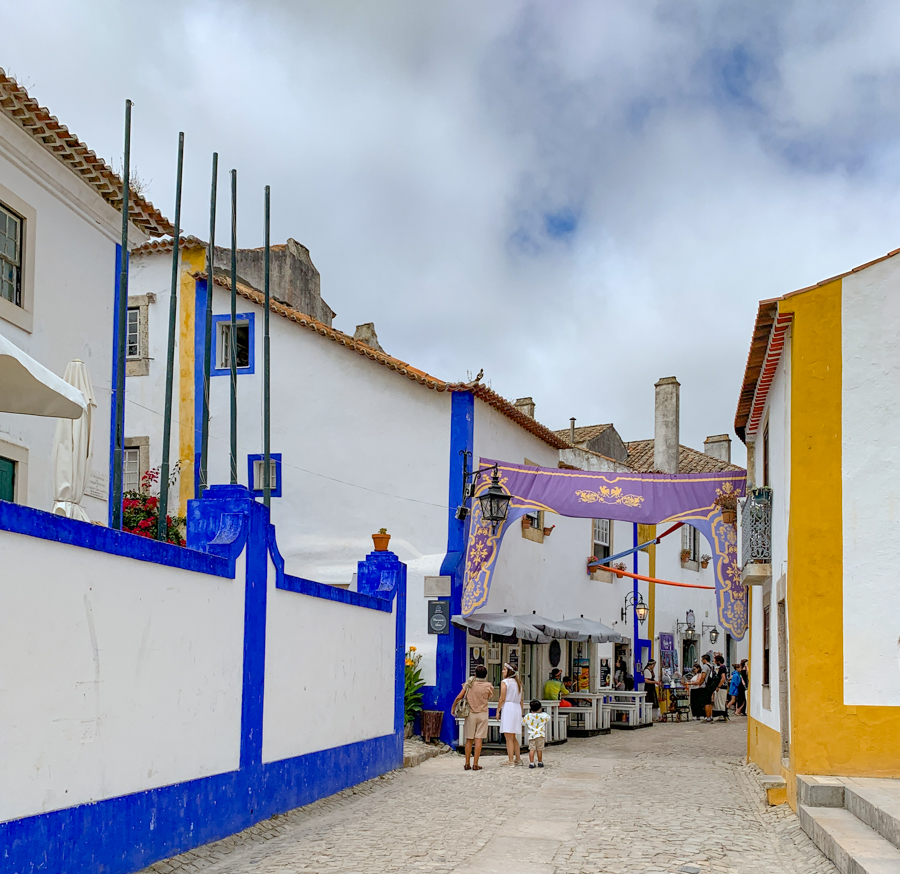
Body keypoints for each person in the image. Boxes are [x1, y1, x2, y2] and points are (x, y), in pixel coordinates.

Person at [452, 664, 493, 771]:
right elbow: (489, 696)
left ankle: (467, 763)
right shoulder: (488, 686)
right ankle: (476, 763)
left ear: (475, 674)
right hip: (483, 713)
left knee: (469, 739)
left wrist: (453, 707)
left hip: (470, 713)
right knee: (479, 739)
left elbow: (459, 696)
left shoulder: (469, 684)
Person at [498, 663, 524, 765]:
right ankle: (518, 758)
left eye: (504, 669)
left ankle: (510, 760)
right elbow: (521, 699)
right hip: (516, 707)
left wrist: (498, 710)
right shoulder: (518, 683)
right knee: (513, 736)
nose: (503, 671)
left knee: (508, 736)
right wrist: (521, 712)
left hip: (508, 708)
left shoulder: (505, 682)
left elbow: (502, 698)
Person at [523, 700, 551, 768]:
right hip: (540, 734)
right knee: (539, 749)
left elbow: (523, 723)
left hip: (532, 735)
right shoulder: (543, 715)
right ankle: (540, 762)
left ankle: (531, 763)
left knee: (532, 749)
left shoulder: (528, 716)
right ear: (540, 708)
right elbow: (549, 719)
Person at [712, 655, 729, 721]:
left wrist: (718, 686)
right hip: (723, 686)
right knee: (720, 701)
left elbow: (723, 678)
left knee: (720, 701)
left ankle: (721, 715)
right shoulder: (723, 667)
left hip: (721, 687)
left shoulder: (722, 668)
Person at [700, 654, 715, 723]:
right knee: (709, 702)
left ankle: (707, 717)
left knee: (706, 702)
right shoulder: (712, 666)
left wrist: (700, 683)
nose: (701, 661)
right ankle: (711, 716)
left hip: (705, 685)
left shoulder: (705, 667)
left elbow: (703, 676)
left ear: (705, 660)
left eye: (702, 659)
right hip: (711, 686)